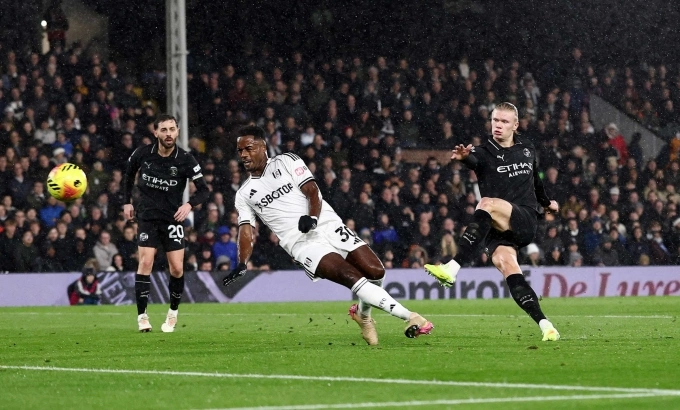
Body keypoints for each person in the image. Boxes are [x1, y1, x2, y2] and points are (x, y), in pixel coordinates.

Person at [222, 125, 432, 345]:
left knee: (376, 272)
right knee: (350, 276)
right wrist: (242, 262)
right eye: (240, 150)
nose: (243, 154)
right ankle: (410, 317)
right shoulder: (244, 194)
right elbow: (246, 229)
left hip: (327, 224)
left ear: (263, 146)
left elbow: (312, 190)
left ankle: (362, 315)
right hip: (302, 243)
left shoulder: (286, 161)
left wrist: (312, 217)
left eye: (249, 148)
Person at [424, 102, 560, 342]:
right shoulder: (483, 152)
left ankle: (452, 268)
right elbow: (472, 159)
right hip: (497, 229)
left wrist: (547, 203)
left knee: (486, 202)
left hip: (524, 218)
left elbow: (536, 181)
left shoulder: (527, 148)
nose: (498, 125)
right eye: (495, 120)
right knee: (509, 268)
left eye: (504, 121)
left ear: (515, 125)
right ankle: (545, 325)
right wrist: (464, 158)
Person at [123, 114, 210, 332]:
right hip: (147, 217)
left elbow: (204, 190)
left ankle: (172, 312)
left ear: (177, 131)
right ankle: (142, 317)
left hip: (172, 218)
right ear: (156, 133)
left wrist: (189, 205)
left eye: (172, 129)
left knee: (177, 268)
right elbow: (128, 176)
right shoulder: (143, 153)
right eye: (164, 130)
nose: (168, 134)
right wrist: (126, 202)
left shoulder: (186, 159)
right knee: (145, 263)